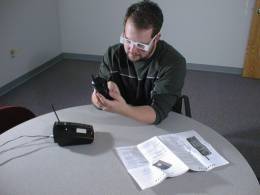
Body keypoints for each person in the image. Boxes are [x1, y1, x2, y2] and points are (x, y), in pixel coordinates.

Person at [91, 0, 186, 124]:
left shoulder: (173, 62)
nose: (132, 49)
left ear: (156, 38)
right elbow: (95, 97)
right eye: (128, 40)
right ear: (124, 32)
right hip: (122, 120)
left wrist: (123, 109)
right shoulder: (112, 54)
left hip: (161, 127)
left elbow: (156, 113)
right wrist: (99, 99)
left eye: (141, 45)